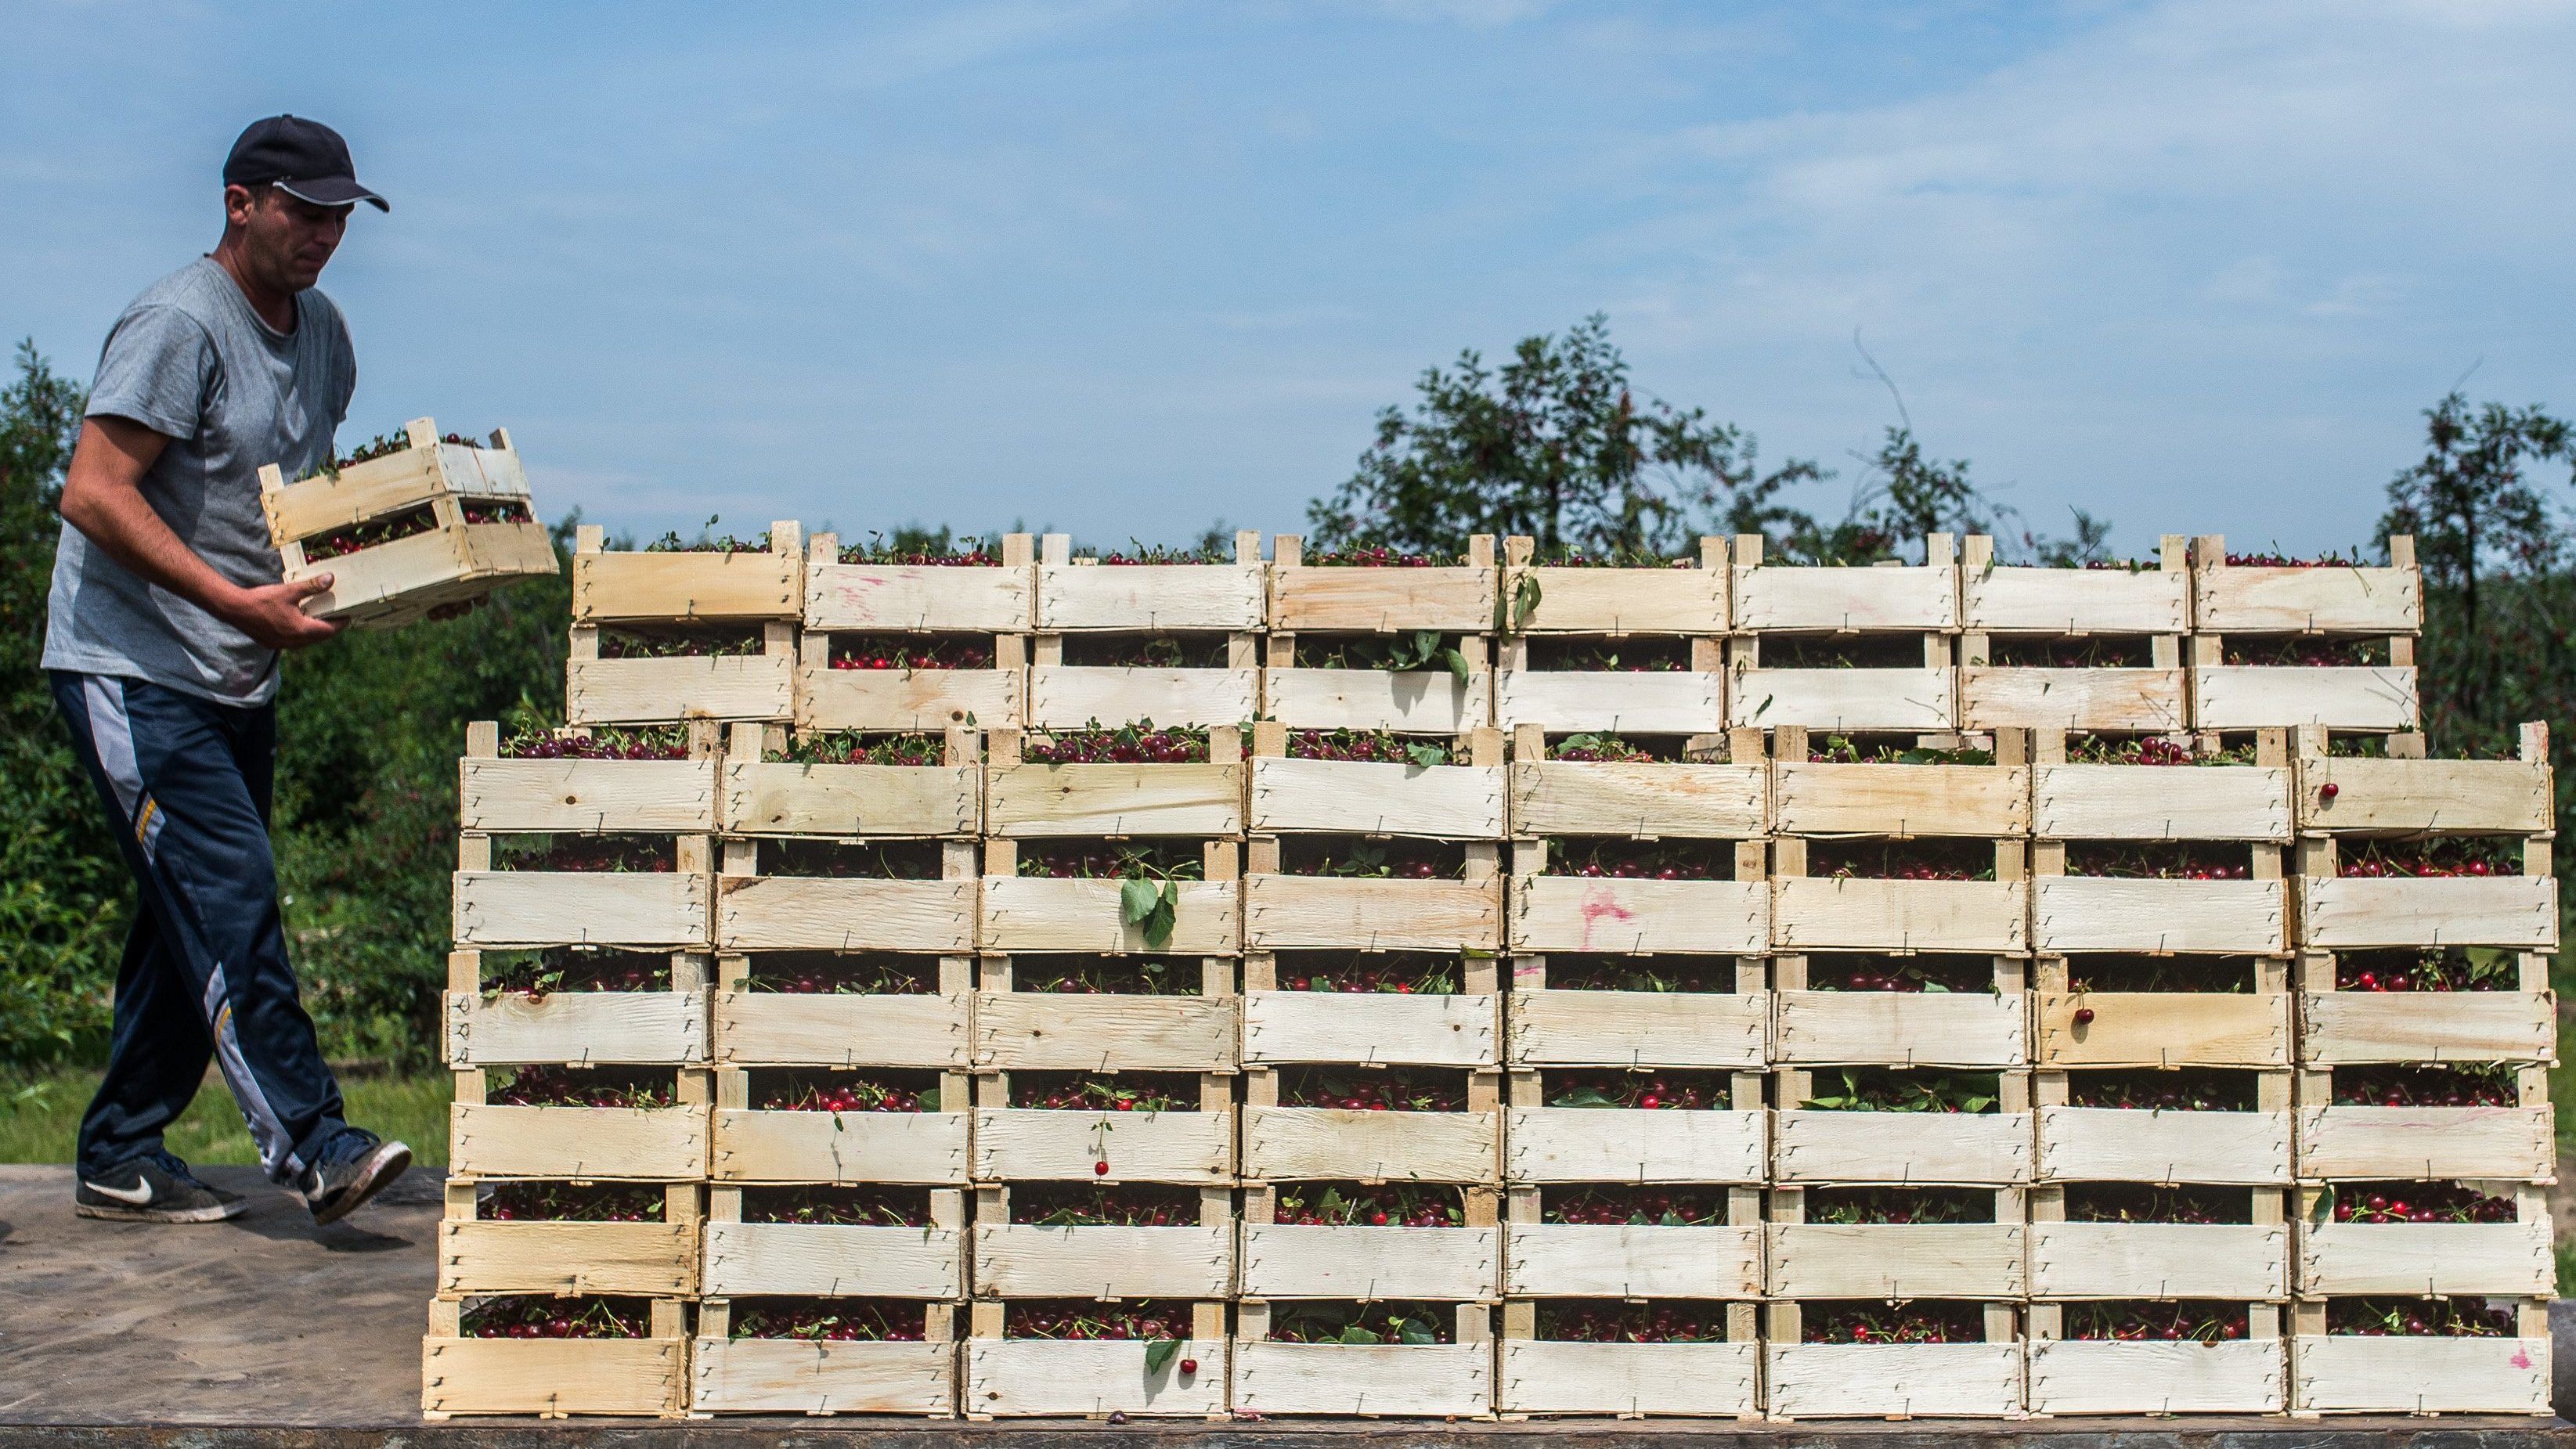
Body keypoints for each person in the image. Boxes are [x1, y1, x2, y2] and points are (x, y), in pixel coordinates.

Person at [44, 114, 412, 1226]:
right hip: (133, 665)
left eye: (340, 217)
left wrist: (398, 567)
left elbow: (300, 502)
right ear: (239, 202)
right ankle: (312, 1142)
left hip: (232, 670)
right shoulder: (177, 322)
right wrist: (233, 602)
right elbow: (94, 492)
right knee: (230, 898)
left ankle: (119, 1149)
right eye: (305, 212)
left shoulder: (325, 334)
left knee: (184, 913)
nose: (325, 235)